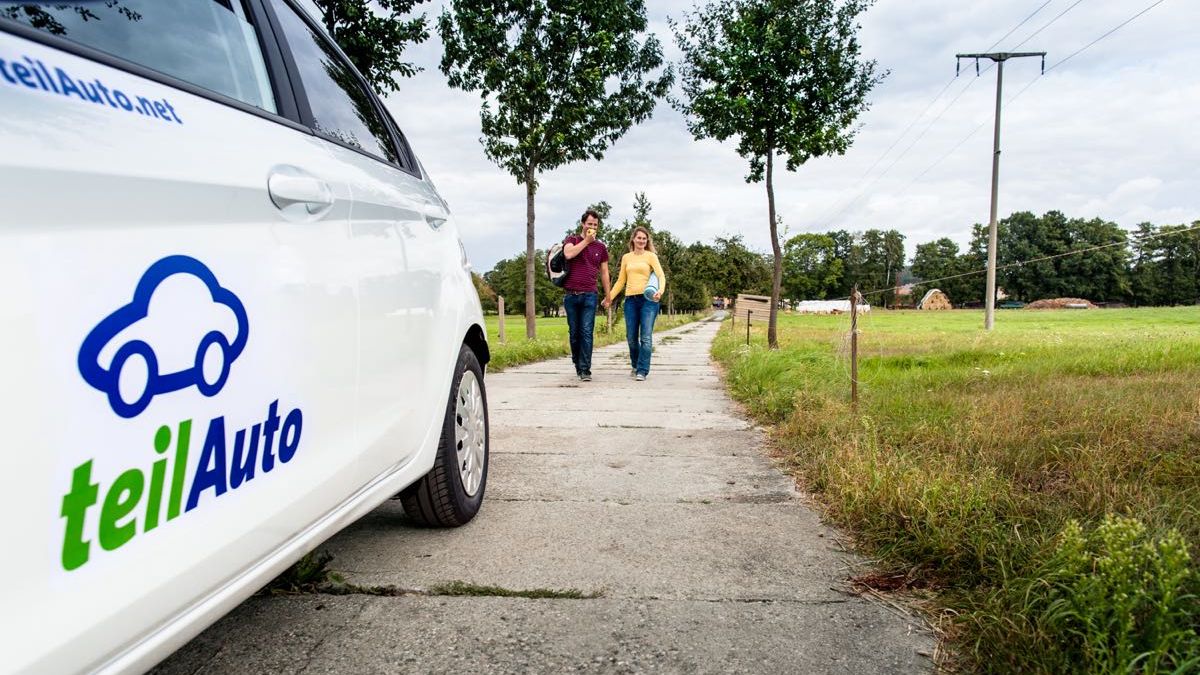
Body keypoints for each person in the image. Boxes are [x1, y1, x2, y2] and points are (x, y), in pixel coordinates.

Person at [605, 226, 666, 381]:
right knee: (631, 337)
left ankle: (642, 370)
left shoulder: (651, 256)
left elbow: (660, 275)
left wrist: (660, 291)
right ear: (633, 239)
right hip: (631, 300)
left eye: (644, 239)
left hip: (649, 300)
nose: (641, 241)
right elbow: (620, 281)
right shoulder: (627, 257)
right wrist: (609, 297)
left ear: (647, 241)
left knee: (645, 337)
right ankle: (635, 364)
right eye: (639, 238)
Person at [561, 209, 611, 381]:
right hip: (571, 295)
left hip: (590, 294)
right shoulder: (572, 240)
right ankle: (577, 361)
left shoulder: (601, 247)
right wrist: (586, 241)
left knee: (587, 332)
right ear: (583, 224)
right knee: (574, 333)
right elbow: (568, 254)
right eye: (589, 223)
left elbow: (604, 272)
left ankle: (585, 369)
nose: (592, 227)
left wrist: (608, 294)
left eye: (595, 225)